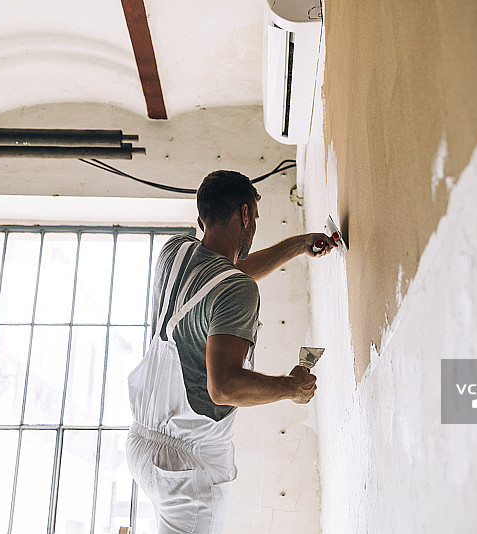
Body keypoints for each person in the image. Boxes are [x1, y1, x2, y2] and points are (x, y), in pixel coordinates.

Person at [125, 170, 336, 533]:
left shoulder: (174, 252)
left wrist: (297, 245)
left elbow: (228, 275)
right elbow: (222, 387)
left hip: (142, 444)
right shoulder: (236, 289)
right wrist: (292, 388)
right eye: (255, 215)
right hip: (187, 465)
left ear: (200, 220)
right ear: (245, 215)